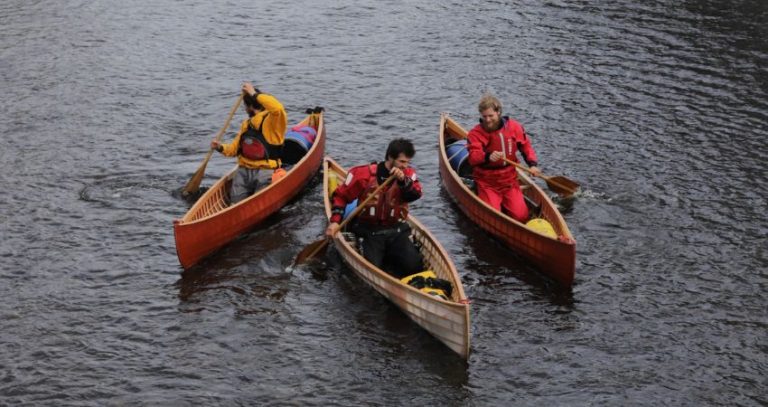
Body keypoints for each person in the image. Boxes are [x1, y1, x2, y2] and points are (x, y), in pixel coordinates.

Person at [325, 138, 423, 278]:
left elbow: (415, 195)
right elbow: (341, 197)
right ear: (390, 157)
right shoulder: (364, 174)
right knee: (373, 269)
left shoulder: (407, 176)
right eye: (402, 162)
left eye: (407, 162)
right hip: (369, 230)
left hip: (396, 230)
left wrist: (402, 182)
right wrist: (334, 222)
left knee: (414, 266)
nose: (405, 166)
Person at [466, 93, 541, 223]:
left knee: (521, 217)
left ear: (499, 112)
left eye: (491, 116)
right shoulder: (476, 133)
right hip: (487, 181)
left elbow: (526, 146)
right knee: (494, 216)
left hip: (509, 180)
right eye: (484, 117)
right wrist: (488, 156)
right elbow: (473, 157)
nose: (487, 120)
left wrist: (532, 164)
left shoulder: (514, 127)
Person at [211, 82, 287, 204]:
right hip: (244, 171)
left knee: (258, 202)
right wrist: (219, 147)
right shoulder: (246, 125)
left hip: (265, 171)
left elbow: (278, 107)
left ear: (250, 106)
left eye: (245, 106)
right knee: (235, 203)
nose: (245, 109)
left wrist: (253, 93)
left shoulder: (273, 121)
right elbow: (233, 150)